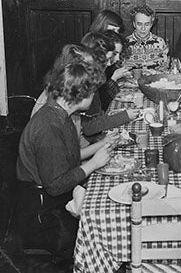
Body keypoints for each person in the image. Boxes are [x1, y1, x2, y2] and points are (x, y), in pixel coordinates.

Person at [16, 63, 113, 263]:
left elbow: (67, 158)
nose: (95, 96)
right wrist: (94, 164)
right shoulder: (49, 126)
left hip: (56, 199)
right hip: (45, 214)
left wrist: (102, 148)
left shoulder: (61, 115)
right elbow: (56, 185)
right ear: (80, 95)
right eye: (93, 91)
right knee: (107, 229)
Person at [80, 31, 139, 140]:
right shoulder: (85, 81)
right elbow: (88, 127)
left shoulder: (93, 75)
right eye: (113, 55)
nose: (115, 60)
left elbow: (98, 110)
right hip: (88, 141)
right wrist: (123, 116)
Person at [124, 4, 169, 71]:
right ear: (134, 24)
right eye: (139, 24)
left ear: (151, 24)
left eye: (147, 24)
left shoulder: (160, 42)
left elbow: (165, 66)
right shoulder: (125, 43)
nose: (143, 28)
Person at [98, 30, 132, 111]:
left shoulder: (108, 66)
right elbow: (101, 102)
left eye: (119, 54)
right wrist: (114, 78)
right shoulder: (96, 70)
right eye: (114, 54)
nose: (118, 58)